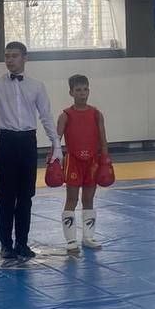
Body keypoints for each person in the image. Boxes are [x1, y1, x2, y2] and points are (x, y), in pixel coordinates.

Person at [0, 40, 60, 261]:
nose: (9, 60)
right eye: (7, 56)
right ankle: (5, 245)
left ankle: (22, 243)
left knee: (26, 196)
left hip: (28, 142)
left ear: (24, 58)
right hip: (6, 142)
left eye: (14, 56)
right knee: (6, 197)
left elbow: (46, 116)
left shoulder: (37, 86)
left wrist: (56, 144)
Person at [57, 73, 108, 252]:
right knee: (71, 199)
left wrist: (105, 159)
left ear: (89, 91)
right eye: (78, 90)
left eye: (85, 89)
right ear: (71, 92)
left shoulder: (96, 114)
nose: (82, 93)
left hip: (92, 161)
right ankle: (71, 240)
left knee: (88, 199)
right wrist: (53, 160)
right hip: (73, 161)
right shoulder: (65, 115)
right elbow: (57, 139)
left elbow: (103, 138)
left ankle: (88, 237)